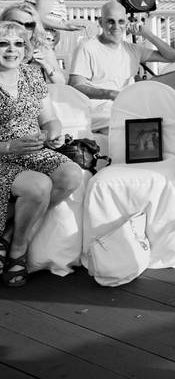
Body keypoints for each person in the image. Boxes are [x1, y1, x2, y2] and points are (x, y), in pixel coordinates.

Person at [0, 21, 84, 287]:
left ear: (25, 49)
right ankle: (18, 253)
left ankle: (9, 237)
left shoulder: (32, 76)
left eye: (18, 44)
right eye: (3, 43)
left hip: (33, 151)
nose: (11, 50)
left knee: (71, 174)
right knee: (39, 186)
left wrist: (54, 133)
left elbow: (49, 118)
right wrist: (8, 146)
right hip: (2, 154)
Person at [68, 1, 175, 130]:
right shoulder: (87, 47)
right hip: (100, 112)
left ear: (126, 23)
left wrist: (147, 34)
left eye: (121, 21)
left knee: (168, 118)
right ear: (100, 22)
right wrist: (109, 94)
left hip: (128, 108)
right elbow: (75, 86)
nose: (116, 27)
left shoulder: (132, 50)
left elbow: (172, 57)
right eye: (110, 21)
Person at [1, 3, 66, 84]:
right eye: (16, 23)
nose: (22, 28)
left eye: (29, 25)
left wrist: (46, 65)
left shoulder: (41, 48)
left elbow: (61, 83)